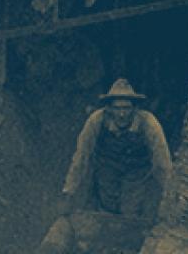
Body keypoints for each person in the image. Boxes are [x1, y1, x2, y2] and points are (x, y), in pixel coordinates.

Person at [62, 79, 172, 221]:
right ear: (108, 109)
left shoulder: (148, 123)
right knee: (106, 211)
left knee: (130, 213)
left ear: (134, 109)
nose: (121, 114)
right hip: (106, 168)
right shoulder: (97, 121)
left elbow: (162, 162)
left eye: (126, 108)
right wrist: (69, 192)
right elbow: (81, 156)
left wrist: (170, 196)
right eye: (117, 108)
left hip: (136, 171)